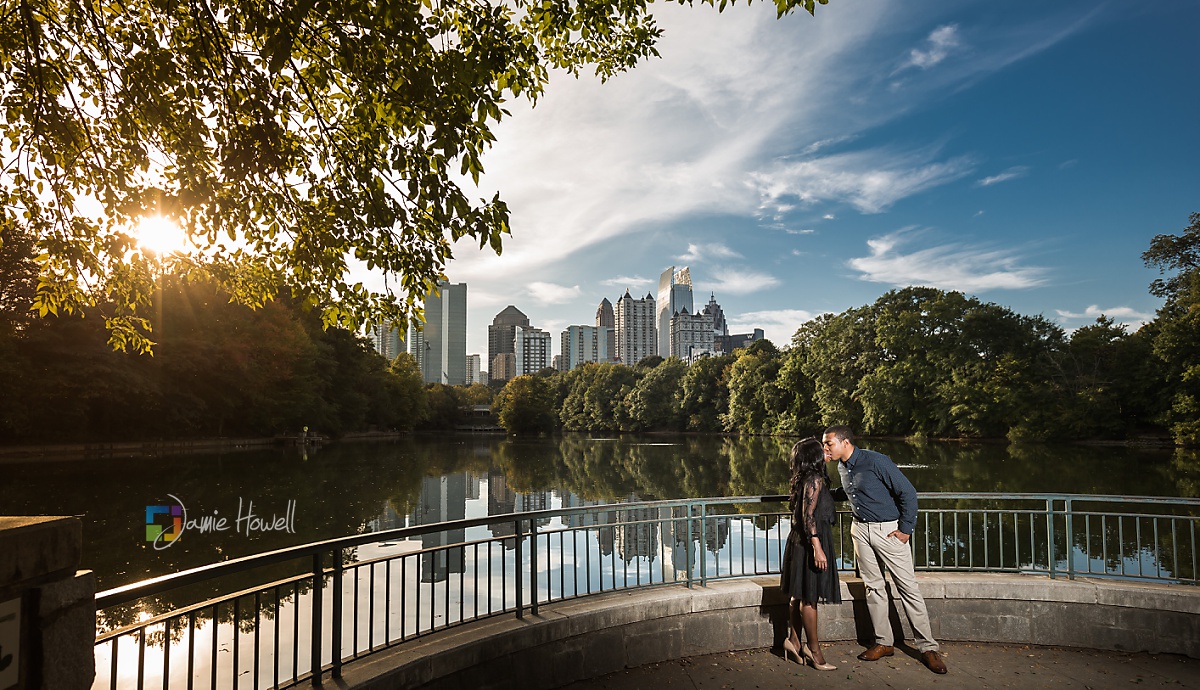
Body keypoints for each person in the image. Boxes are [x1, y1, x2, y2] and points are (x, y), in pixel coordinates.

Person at [822, 425, 948, 675]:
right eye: (824, 444)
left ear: (845, 442)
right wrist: (819, 491)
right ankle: (884, 643)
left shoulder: (876, 461)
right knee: (873, 587)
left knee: (908, 588)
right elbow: (852, 492)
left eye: (828, 444)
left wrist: (906, 529)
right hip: (860, 531)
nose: (825, 448)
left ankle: (927, 648)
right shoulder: (841, 466)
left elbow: (908, 493)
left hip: (889, 532)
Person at [779, 437, 840, 671]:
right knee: (810, 598)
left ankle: (794, 642)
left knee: (797, 594)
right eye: (821, 449)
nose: (825, 451)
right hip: (811, 541)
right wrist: (818, 548)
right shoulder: (814, 479)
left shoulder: (803, 478)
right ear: (814, 456)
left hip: (798, 541)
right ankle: (814, 652)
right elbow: (809, 517)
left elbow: (804, 514)